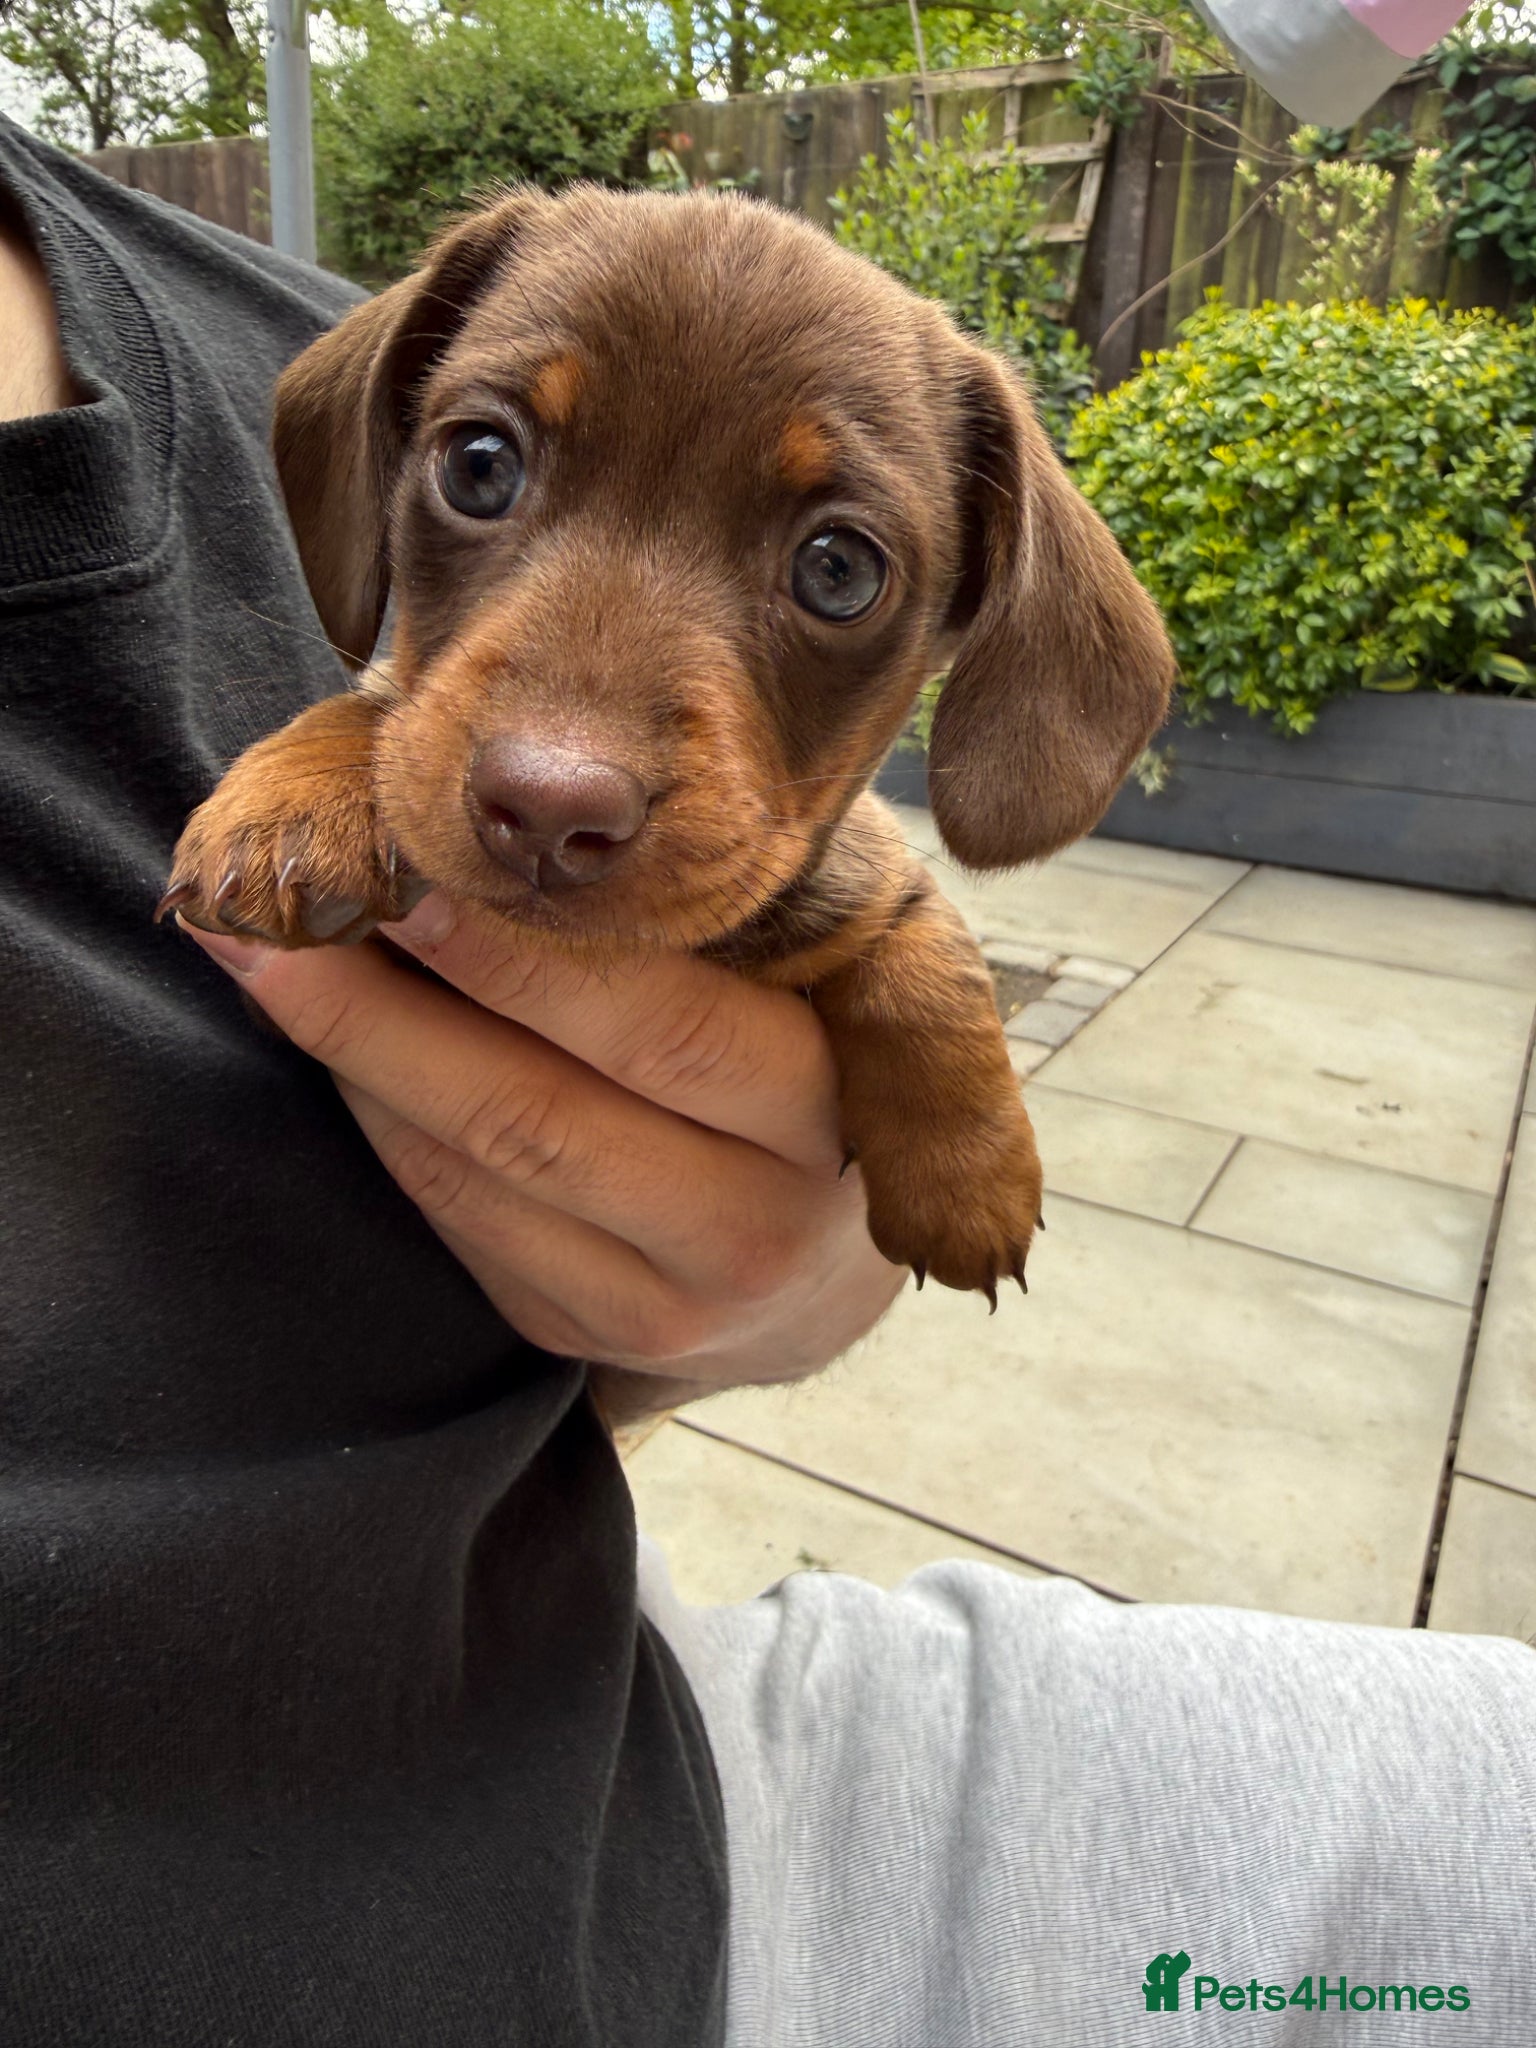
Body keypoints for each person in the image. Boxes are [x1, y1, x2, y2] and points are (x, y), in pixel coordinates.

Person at [1, 9, 1532, 2047]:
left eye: (830, 566)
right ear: (385, 460)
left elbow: (885, 918)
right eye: (489, 467)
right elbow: (385, 735)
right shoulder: (358, 475)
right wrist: (344, 753)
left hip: (647, 1788)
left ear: (962, 617)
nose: (556, 753)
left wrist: (778, 1266)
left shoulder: (211, 303)